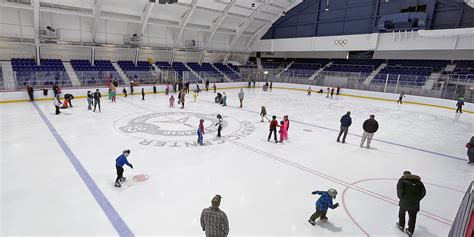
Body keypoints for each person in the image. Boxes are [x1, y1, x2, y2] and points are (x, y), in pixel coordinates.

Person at [396, 171, 426, 236]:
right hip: (414, 203)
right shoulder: (419, 182)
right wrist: (417, 199)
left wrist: (401, 198)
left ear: (404, 175)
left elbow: (399, 190)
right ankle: (410, 230)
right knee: (412, 217)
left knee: (401, 213)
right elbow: (423, 192)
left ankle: (401, 225)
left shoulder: (402, 180)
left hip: (404, 202)